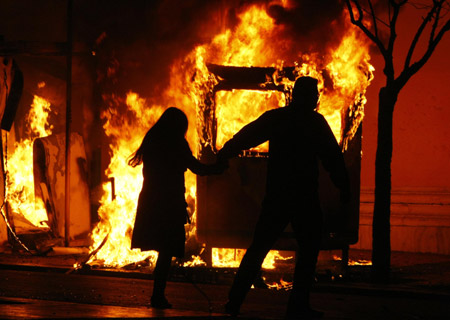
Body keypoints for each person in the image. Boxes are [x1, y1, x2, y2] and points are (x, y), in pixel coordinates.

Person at [217, 76, 350, 319]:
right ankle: (298, 305)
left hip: (278, 195)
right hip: (304, 196)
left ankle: (234, 302)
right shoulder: (315, 122)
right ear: (312, 98)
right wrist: (343, 187)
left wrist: (225, 152)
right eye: (314, 95)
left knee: (258, 249)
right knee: (308, 251)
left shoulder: (278, 118)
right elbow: (333, 158)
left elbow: (248, 135)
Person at [129, 107, 225, 309]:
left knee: (163, 249)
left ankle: (158, 294)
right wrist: (217, 169)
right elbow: (195, 167)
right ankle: (157, 296)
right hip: (168, 202)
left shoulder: (153, 139)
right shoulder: (176, 143)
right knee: (166, 250)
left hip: (151, 200)